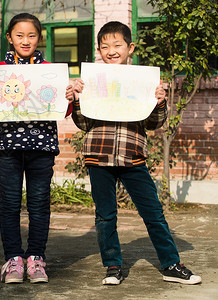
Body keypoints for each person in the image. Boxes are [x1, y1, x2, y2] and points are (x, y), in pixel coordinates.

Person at [68, 21, 202, 285]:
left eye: (117, 45)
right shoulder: (92, 82)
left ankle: (171, 265)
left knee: (153, 213)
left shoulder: (143, 82)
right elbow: (83, 124)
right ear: (98, 50)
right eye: (105, 46)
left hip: (133, 157)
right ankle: (113, 267)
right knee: (105, 216)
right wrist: (77, 100)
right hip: (99, 156)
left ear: (130, 47)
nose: (111, 51)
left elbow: (153, 123)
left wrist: (159, 101)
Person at [0, 13, 73, 284]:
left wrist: (67, 99)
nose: (26, 40)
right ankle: (13, 260)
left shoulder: (49, 70)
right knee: (9, 204)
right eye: (19, 35)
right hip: (7, 146)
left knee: (39, 203)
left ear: (39, 38)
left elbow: (62, 110)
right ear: (9, 38)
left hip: (41, 145)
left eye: (31, 35)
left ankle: (36, 259)